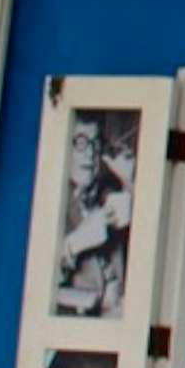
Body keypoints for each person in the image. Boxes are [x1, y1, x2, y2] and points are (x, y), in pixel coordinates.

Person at [52, 117, 135, 318]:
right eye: (81, 143)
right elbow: (31, 289)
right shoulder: (50, 203)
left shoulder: (107, 196)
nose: (90, 153)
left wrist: (129, 184)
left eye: (96, 143)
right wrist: (75, 242)